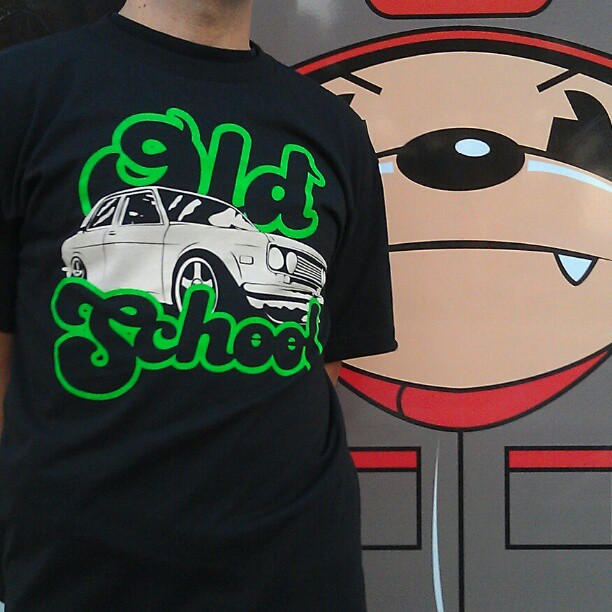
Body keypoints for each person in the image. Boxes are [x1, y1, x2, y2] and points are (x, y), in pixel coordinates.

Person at [0, 0, 396, 609]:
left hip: (299, 571)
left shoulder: (334, 128)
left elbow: (323, 354)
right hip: (82, 577)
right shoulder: (20, 90)